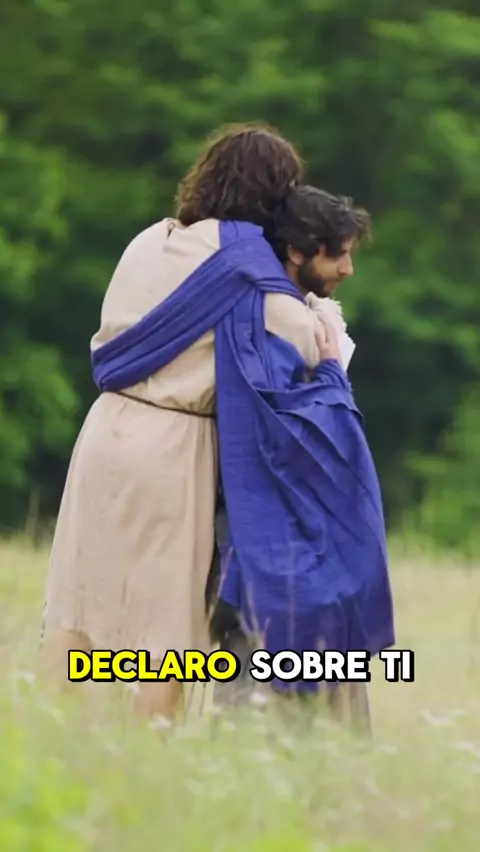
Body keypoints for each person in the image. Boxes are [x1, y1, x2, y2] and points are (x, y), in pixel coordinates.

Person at [40, 122, 312, 721]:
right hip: (174, 442)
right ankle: (149, 746)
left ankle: (60, 733)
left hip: (106, 428)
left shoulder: (147, 241)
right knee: (163, 618)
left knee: (84, 594)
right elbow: (304, 343)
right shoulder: (247, 267)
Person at [207, 186, 384, 730]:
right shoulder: (275, 316)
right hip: (272, 526)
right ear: (298, 250)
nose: (348, 269)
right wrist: (330, 377)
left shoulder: (291, 309)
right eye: (338, 255)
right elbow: (288, 428)